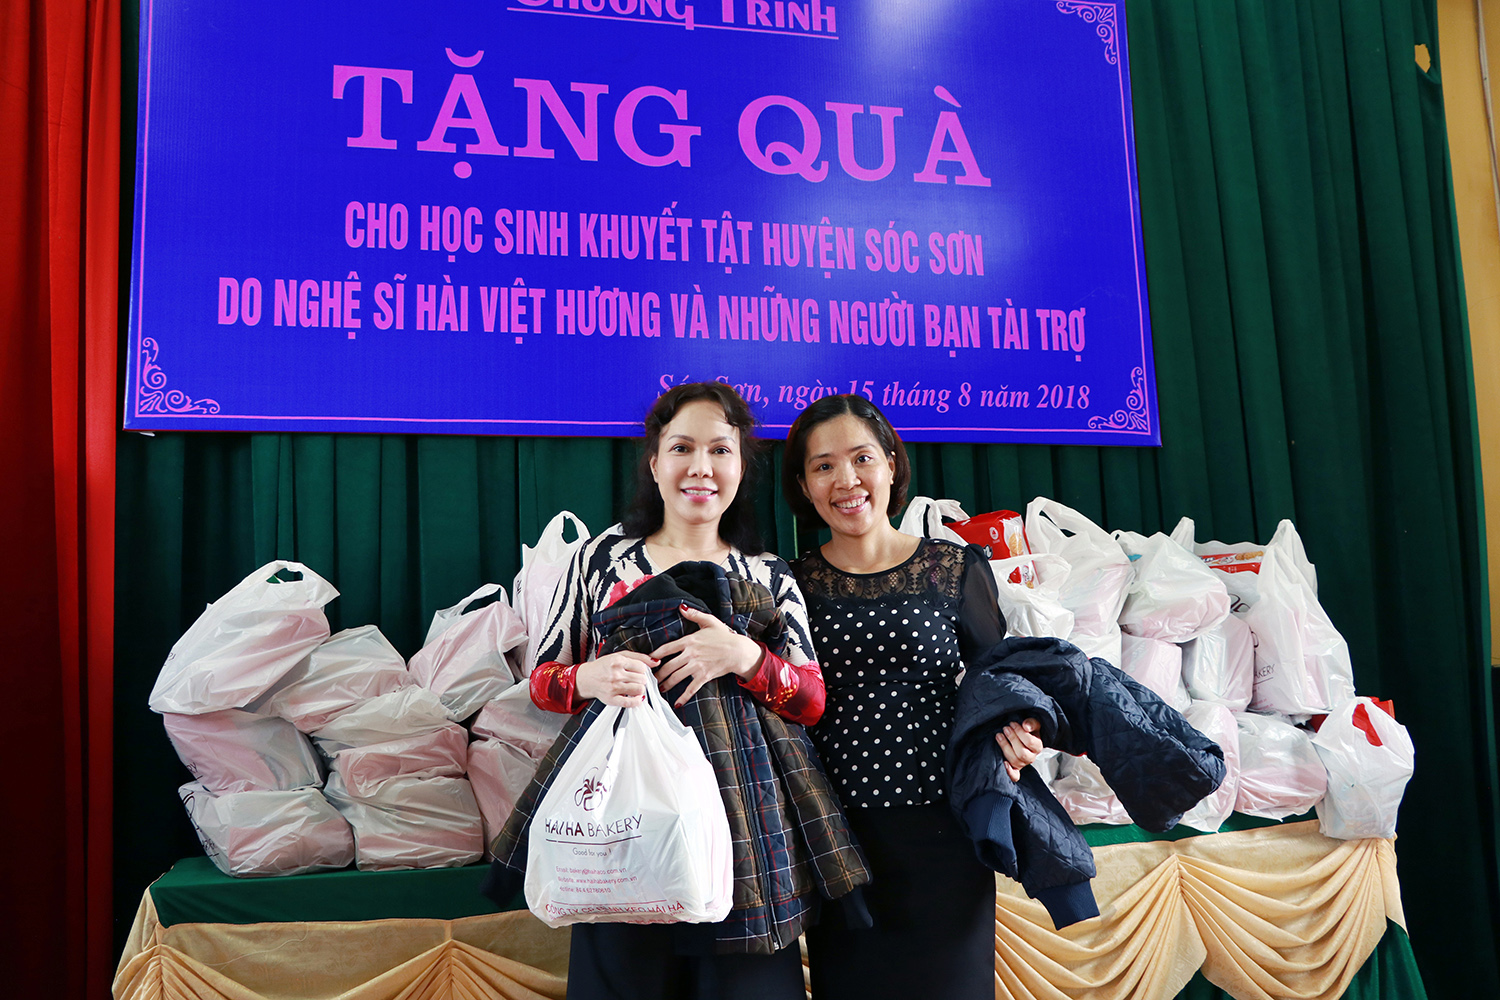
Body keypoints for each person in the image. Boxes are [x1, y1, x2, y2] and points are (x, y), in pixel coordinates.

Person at [512, 381, 855, 1000]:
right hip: (625, 828)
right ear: (654, 462)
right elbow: (542, 680)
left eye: (720, 450)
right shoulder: (602, 559)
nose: (701, 467)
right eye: (682, 448)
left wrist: (746, 657)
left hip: (748, 831)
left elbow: (811, 700)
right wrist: (589, 677)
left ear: (742, 467)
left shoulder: (768, 573)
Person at [782, 394, 1043, 1000]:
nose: (846, 480)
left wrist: (1022, 732)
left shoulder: (953, 567)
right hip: (836, 836)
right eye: (823, 466)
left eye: (862, 458)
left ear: (892, 465)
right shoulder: (790, 582)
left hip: (944, 827)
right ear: (803, 485)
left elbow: (998, 680)